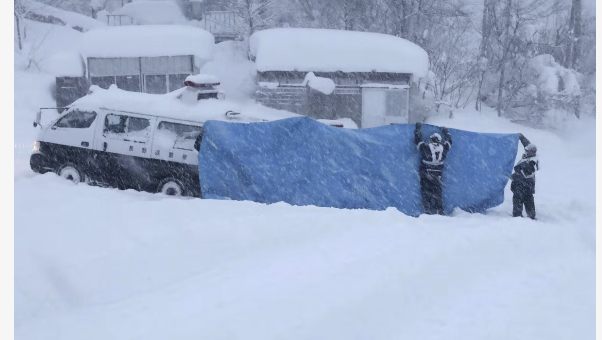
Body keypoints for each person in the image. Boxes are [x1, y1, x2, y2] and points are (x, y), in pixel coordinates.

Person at [414, 122, 452, 215]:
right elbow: (449, 141)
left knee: (426, 194)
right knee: (438, 194)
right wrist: (445, 131)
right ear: (439, 141)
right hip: (438, 175)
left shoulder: (426, 147)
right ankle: (439, 211)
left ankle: (427, 211)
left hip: (426, 174)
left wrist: (418, 128)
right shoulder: (443, 148)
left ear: (431, 140)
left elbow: (418, 140)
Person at [511, 133, 539, 219]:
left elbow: (524, 174)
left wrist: (512, 176)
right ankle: (530, 216)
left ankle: (519, 216)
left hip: (524, 185)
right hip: (523, 185)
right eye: (526, 150)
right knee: (527, 199)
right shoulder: (529, 155)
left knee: (521, 199)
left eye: (527, 151)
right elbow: (527, 144)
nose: (525, 151)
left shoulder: (532, 162)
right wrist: (521, 137)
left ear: (532, 152)